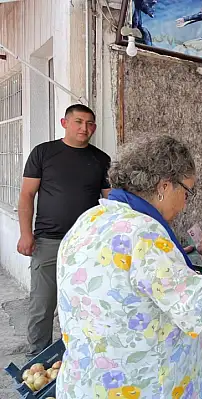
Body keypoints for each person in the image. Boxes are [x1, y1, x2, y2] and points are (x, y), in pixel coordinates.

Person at [55, 135, 202, 398]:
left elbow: (124, 276)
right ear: (164, 186)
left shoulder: (90, 218)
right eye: (187, 192)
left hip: (85, 384)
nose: (185, 203)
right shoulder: (146, 235)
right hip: (139, 388)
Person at [17, 104, 111, 358]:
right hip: (48, 241)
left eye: (90, 123)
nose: (85, 128)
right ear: (64, 122)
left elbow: (110, 202)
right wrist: (26, 234)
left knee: (83, 302)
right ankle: (38, 358)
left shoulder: (101, 159)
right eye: (79, 122)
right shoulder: (44, 153)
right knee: (42, 304)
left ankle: (77, 356)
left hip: (87, 244)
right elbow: (27, 195)